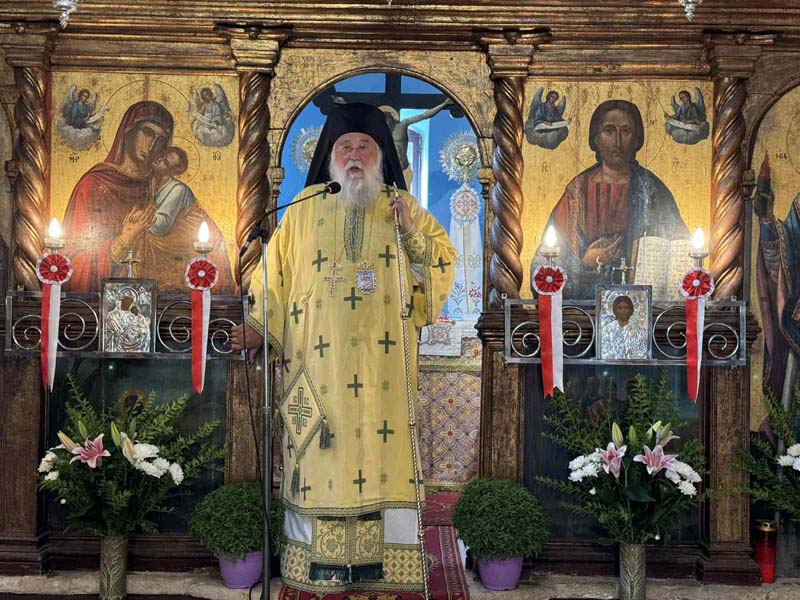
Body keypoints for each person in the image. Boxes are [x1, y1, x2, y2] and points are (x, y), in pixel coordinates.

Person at [230, 102, 455, 594]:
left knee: (382, 459)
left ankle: (385, 567)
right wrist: (260, 325)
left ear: (381, 155)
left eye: (365, 146)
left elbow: (440, 269)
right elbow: (273, 275)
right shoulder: (302, 208)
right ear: (331, 156)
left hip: (383, 376)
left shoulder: (404, 207)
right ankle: (317, 565)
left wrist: (411, 235)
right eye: (346, 146)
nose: (355, 155)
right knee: (319, 457)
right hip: (317, 371)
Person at [62, 100, 234, 293]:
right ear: (128, 132)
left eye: (160, 140)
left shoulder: (162, 187)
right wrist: (123, 241)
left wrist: (198, 226)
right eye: (147, 132)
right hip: (104, 302)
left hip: (164, 299)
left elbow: (209, 242)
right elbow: (72, 261)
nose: (152, 145)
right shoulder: (93, 184)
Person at [534, 99, 689, 298]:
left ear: (637, 139)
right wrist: (586, 263)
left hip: (642, 302)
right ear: (596, 139)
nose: (618, 142)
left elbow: (681, 252)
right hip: (583, 308)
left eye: (626, 131)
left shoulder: (652, 190)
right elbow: (545, 265)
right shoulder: (578, 191)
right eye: (609, 131)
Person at [149, 146, 195, 237]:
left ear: (171, 171)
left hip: (174, 240)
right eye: (162, 155)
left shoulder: (178, 189)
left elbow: (161, 225)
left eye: (165, 162)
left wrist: (141, 215)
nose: (159, 159)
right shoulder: (151, 182)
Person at [600, 295, 648, 359]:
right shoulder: (607, 329)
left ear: (631, 310)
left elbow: (641, 351)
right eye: (619, 308)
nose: (623, 310)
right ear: (615, 310)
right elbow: (603, 349)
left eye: (626, 308)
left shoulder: (638, 331)